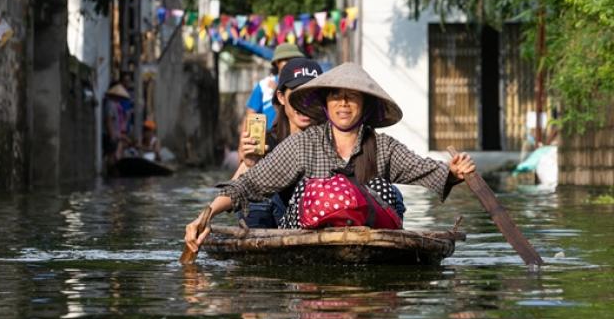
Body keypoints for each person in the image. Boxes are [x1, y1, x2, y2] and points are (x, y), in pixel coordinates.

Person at [185, 62, 475, 251]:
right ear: (325, 105)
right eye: (336, 96)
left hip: (370, 237)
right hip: (306, 236)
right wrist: (206, 214)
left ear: (365, 105)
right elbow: (250, 184)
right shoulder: (303, 145)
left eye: (352, 97)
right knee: (307, 190)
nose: (344, 104)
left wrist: (453, 172)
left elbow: (427, 170)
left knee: (387, 190)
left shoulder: (382, 146)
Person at [231, 57, 324, 228]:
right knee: (256, 194)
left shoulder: (329, 138)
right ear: (281, 97)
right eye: (296, 96)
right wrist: (207, 214)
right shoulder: (268, 141)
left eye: (311, 96)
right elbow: (237, 186)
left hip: (315, 216)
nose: (304, 104)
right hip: (274, 219)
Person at [245, 43, 305, 131]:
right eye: (285, 60)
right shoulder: (264, 85)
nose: (290, 63)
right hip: (271, 139)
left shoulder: (305, 83)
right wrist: (243, 143)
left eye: (294, 59)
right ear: (277, 63)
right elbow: (250, 115)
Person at [102, 83, 132, 165]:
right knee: (111, 156)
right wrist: (112, 136)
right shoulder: (110, 104)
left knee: (113, 156)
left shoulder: (113, 104)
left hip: (113, 135)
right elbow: (109, 120)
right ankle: (110, 173)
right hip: (110, 136)